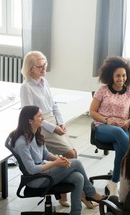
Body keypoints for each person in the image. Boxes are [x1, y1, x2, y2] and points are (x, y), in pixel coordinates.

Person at [9, 106, 106, 215]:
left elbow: (45, 154)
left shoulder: (36, 134)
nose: (42, 118)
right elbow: (32, 169)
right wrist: (56, 163)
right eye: (39, 116)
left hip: (44, 171)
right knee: (76, 163)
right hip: (36, 179)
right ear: (30, 121)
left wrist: (60, 160)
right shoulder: (22, 142)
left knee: (78, 177)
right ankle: (91, 193)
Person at [20, 51, 76, 207]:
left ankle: (64, 195)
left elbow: (53, 105)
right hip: (40, 124)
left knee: (73, 153)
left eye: (45, 65)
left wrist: (61, 122)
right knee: (70, 154)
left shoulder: (44, 81)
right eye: (40, 66)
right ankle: (81, 192)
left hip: (52, 121)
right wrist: (53, 128)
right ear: (30, 69)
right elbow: (31, 115)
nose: (44, 68)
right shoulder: (26, 88)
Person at [89, 56, 130, 196]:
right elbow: (92, 112)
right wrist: (107, 120)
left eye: (124, 75)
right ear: (111, 76)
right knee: (118, 133)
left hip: (123, 129)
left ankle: (113, 184)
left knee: (120, 148)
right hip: (103, 128)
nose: (121, 78)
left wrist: (128, 122)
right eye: (118, 75)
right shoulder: (102, 90)